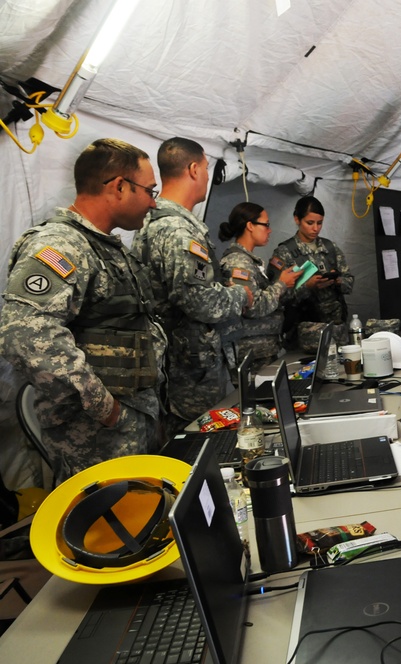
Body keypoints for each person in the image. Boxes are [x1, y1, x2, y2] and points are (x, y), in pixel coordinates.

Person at [0, 138, 166, 483]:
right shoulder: (61, 244)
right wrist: (105, 407)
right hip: (96, 438)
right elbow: (24, 334)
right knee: (108, 532)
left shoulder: (105, 247)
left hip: (130, 421)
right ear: (120, 186)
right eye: (150, 190)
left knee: (142, 524)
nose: (154, 202)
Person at [132, 137, 250, 436]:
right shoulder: (177, 230)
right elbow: (200, 301)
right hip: (190, 372)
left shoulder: (155, 222)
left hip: (182, 364)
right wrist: (240, 295)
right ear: (194, 169)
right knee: (198, 446)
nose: (208, 177)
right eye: (208, 169)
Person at [267, 195, 354, 349]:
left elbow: (350, 281)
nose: (315, 228)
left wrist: (337, 281)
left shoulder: (330, 248)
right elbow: (277, 298)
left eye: (319, 223)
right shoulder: (284, 253)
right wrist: (308, 286)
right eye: (310, 223)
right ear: (297, 219)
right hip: (304, 333)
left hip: (336, 329)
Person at [218, 203, 297, 370]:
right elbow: (252, 306)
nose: (270, 230)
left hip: (261, 349)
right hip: (251, 353)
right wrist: (281, 284)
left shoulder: (248, 260)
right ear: (250, 226)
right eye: (266, 225)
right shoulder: (238, 262)